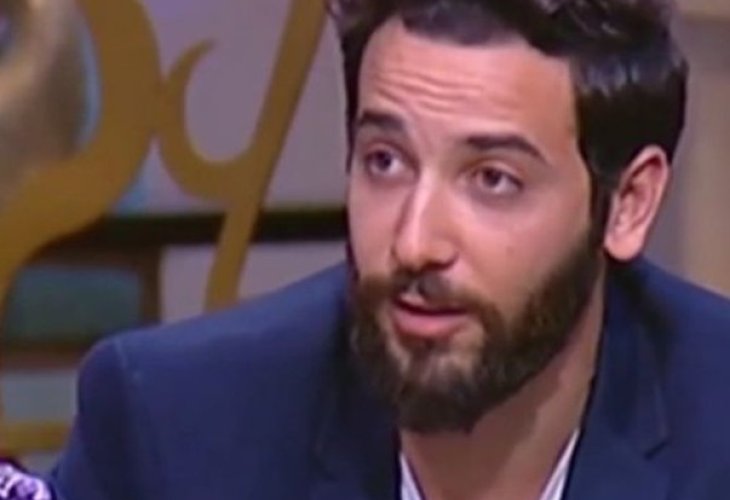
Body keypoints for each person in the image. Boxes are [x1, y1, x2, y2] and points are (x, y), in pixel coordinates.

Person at [49, 0, 730, 498]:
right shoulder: (174, 432)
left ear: (628, 203)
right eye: (386, 161)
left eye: (493, 179)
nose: (414, 242)